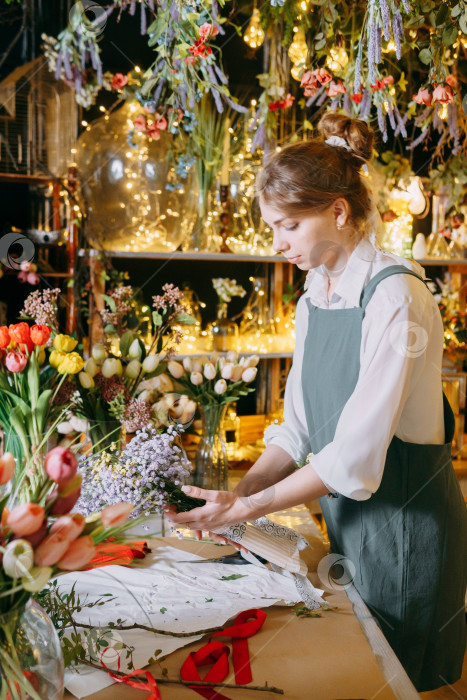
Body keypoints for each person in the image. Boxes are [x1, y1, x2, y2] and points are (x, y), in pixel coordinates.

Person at [168, 113, 467, 692]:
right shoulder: (315, 294)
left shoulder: (396, 297)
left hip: (405, 528)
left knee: (400, 679)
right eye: (273, 227)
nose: (279, 244)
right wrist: (245, 490)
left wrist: (248, 512)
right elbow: (299, 426)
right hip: (346, 519)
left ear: (338, 211)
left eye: (289, 226)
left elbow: (352, 454)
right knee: (352, 671)